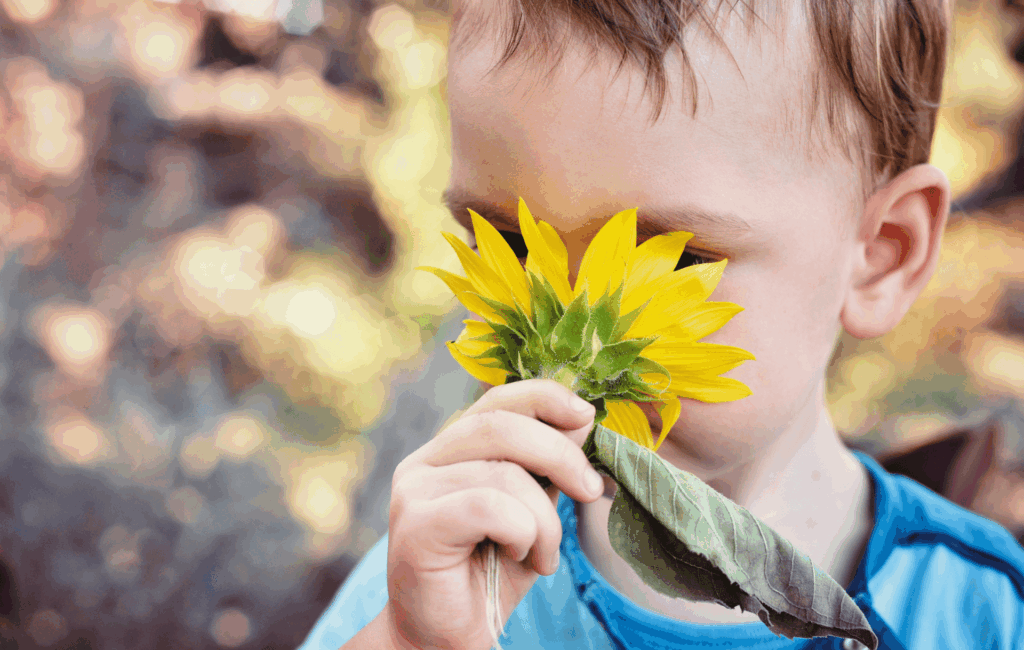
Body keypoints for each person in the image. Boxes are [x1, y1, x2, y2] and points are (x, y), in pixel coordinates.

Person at [301, 1, 1024, 648]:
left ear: (879, 257)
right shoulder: (440, 582)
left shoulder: (983, 611)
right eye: (515, 245)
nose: (566, 357)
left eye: (673, 260)